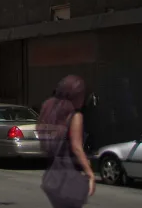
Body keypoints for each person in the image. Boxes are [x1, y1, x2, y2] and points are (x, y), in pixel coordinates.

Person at [37, 75, 95, 208]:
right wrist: (90, 173)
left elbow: (45, 144)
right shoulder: (75, 116)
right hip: (69, 178)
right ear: (75, 95)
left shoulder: (51, 113)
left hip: (52, 177)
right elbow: (76, 147)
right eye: (82, 94)